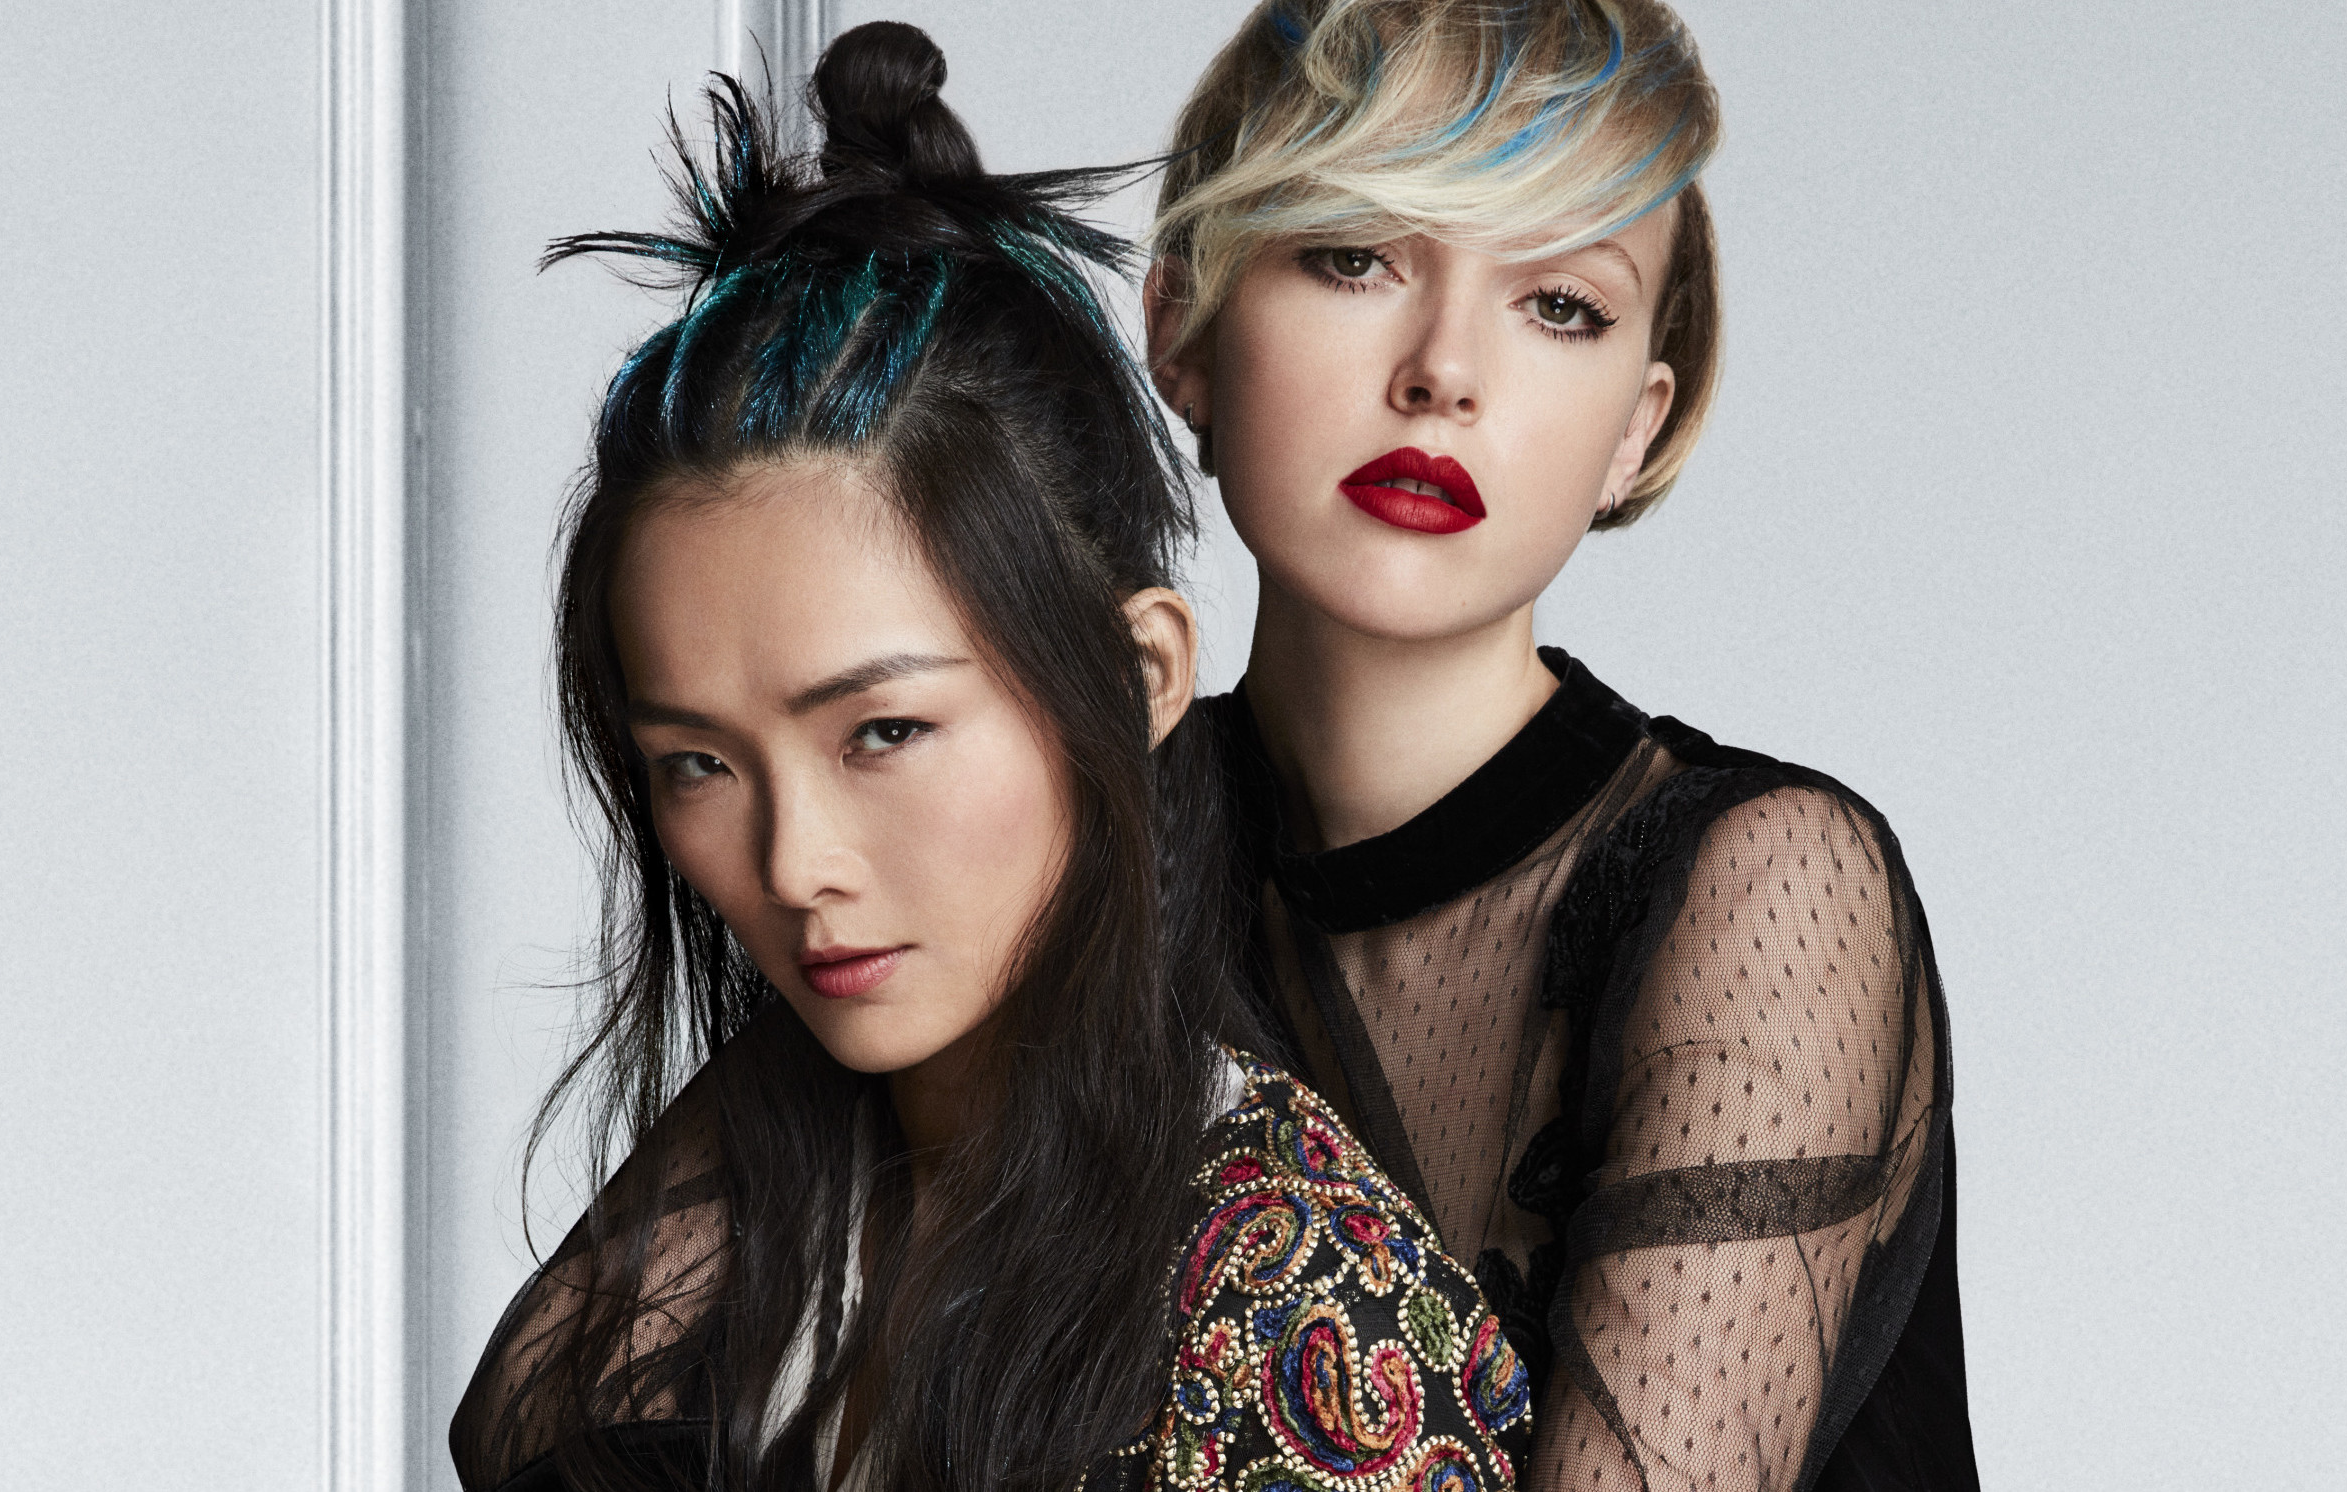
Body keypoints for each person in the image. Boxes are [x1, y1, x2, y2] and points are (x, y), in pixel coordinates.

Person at [448, 23, 1529, 1492]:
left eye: (883, 733)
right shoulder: (767, 1225)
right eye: (699, 764)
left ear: (1141, 677)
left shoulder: (1302, 1316)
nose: (793, 866)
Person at [1141, 4, 1979, 1488]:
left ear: (1633, 432)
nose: (1443, 371)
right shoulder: (1058, 842)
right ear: (1184, 327)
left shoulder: (1766, 887)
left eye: (1561, 307)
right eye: (1354, 257)